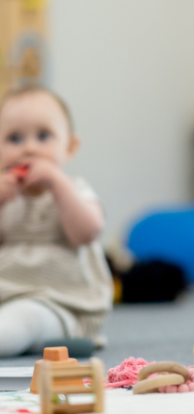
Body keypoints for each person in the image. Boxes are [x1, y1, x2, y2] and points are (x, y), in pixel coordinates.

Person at [0, 85, 112, 356]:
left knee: (24, 321)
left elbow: (87, 232)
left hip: (59, 302)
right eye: (14, 139)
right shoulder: (6, 195)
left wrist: (58, 183)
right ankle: (36, 339)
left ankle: (31, 336)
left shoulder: (74, 189)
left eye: (43, 136)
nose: (29, 148)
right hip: (6, 296)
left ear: (70, 147)